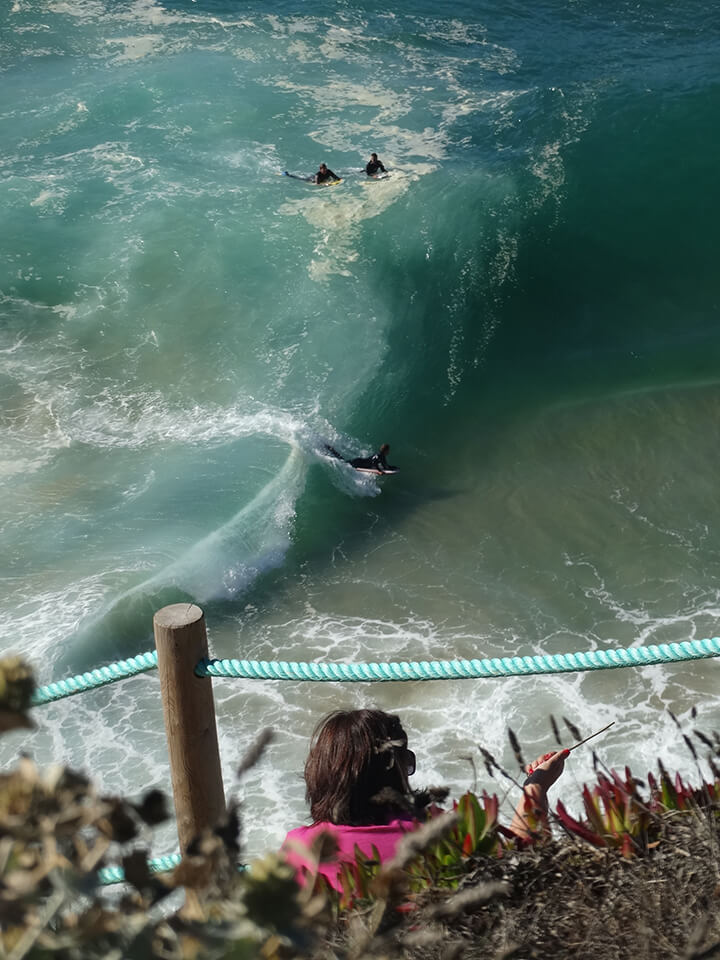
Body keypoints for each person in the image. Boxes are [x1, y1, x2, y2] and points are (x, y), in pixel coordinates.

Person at [282, 709, 567, 890]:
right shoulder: (437, 832)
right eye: (405, 761)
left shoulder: (299, 848)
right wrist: (536, 786)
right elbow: (530, 865)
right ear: (393, 773)